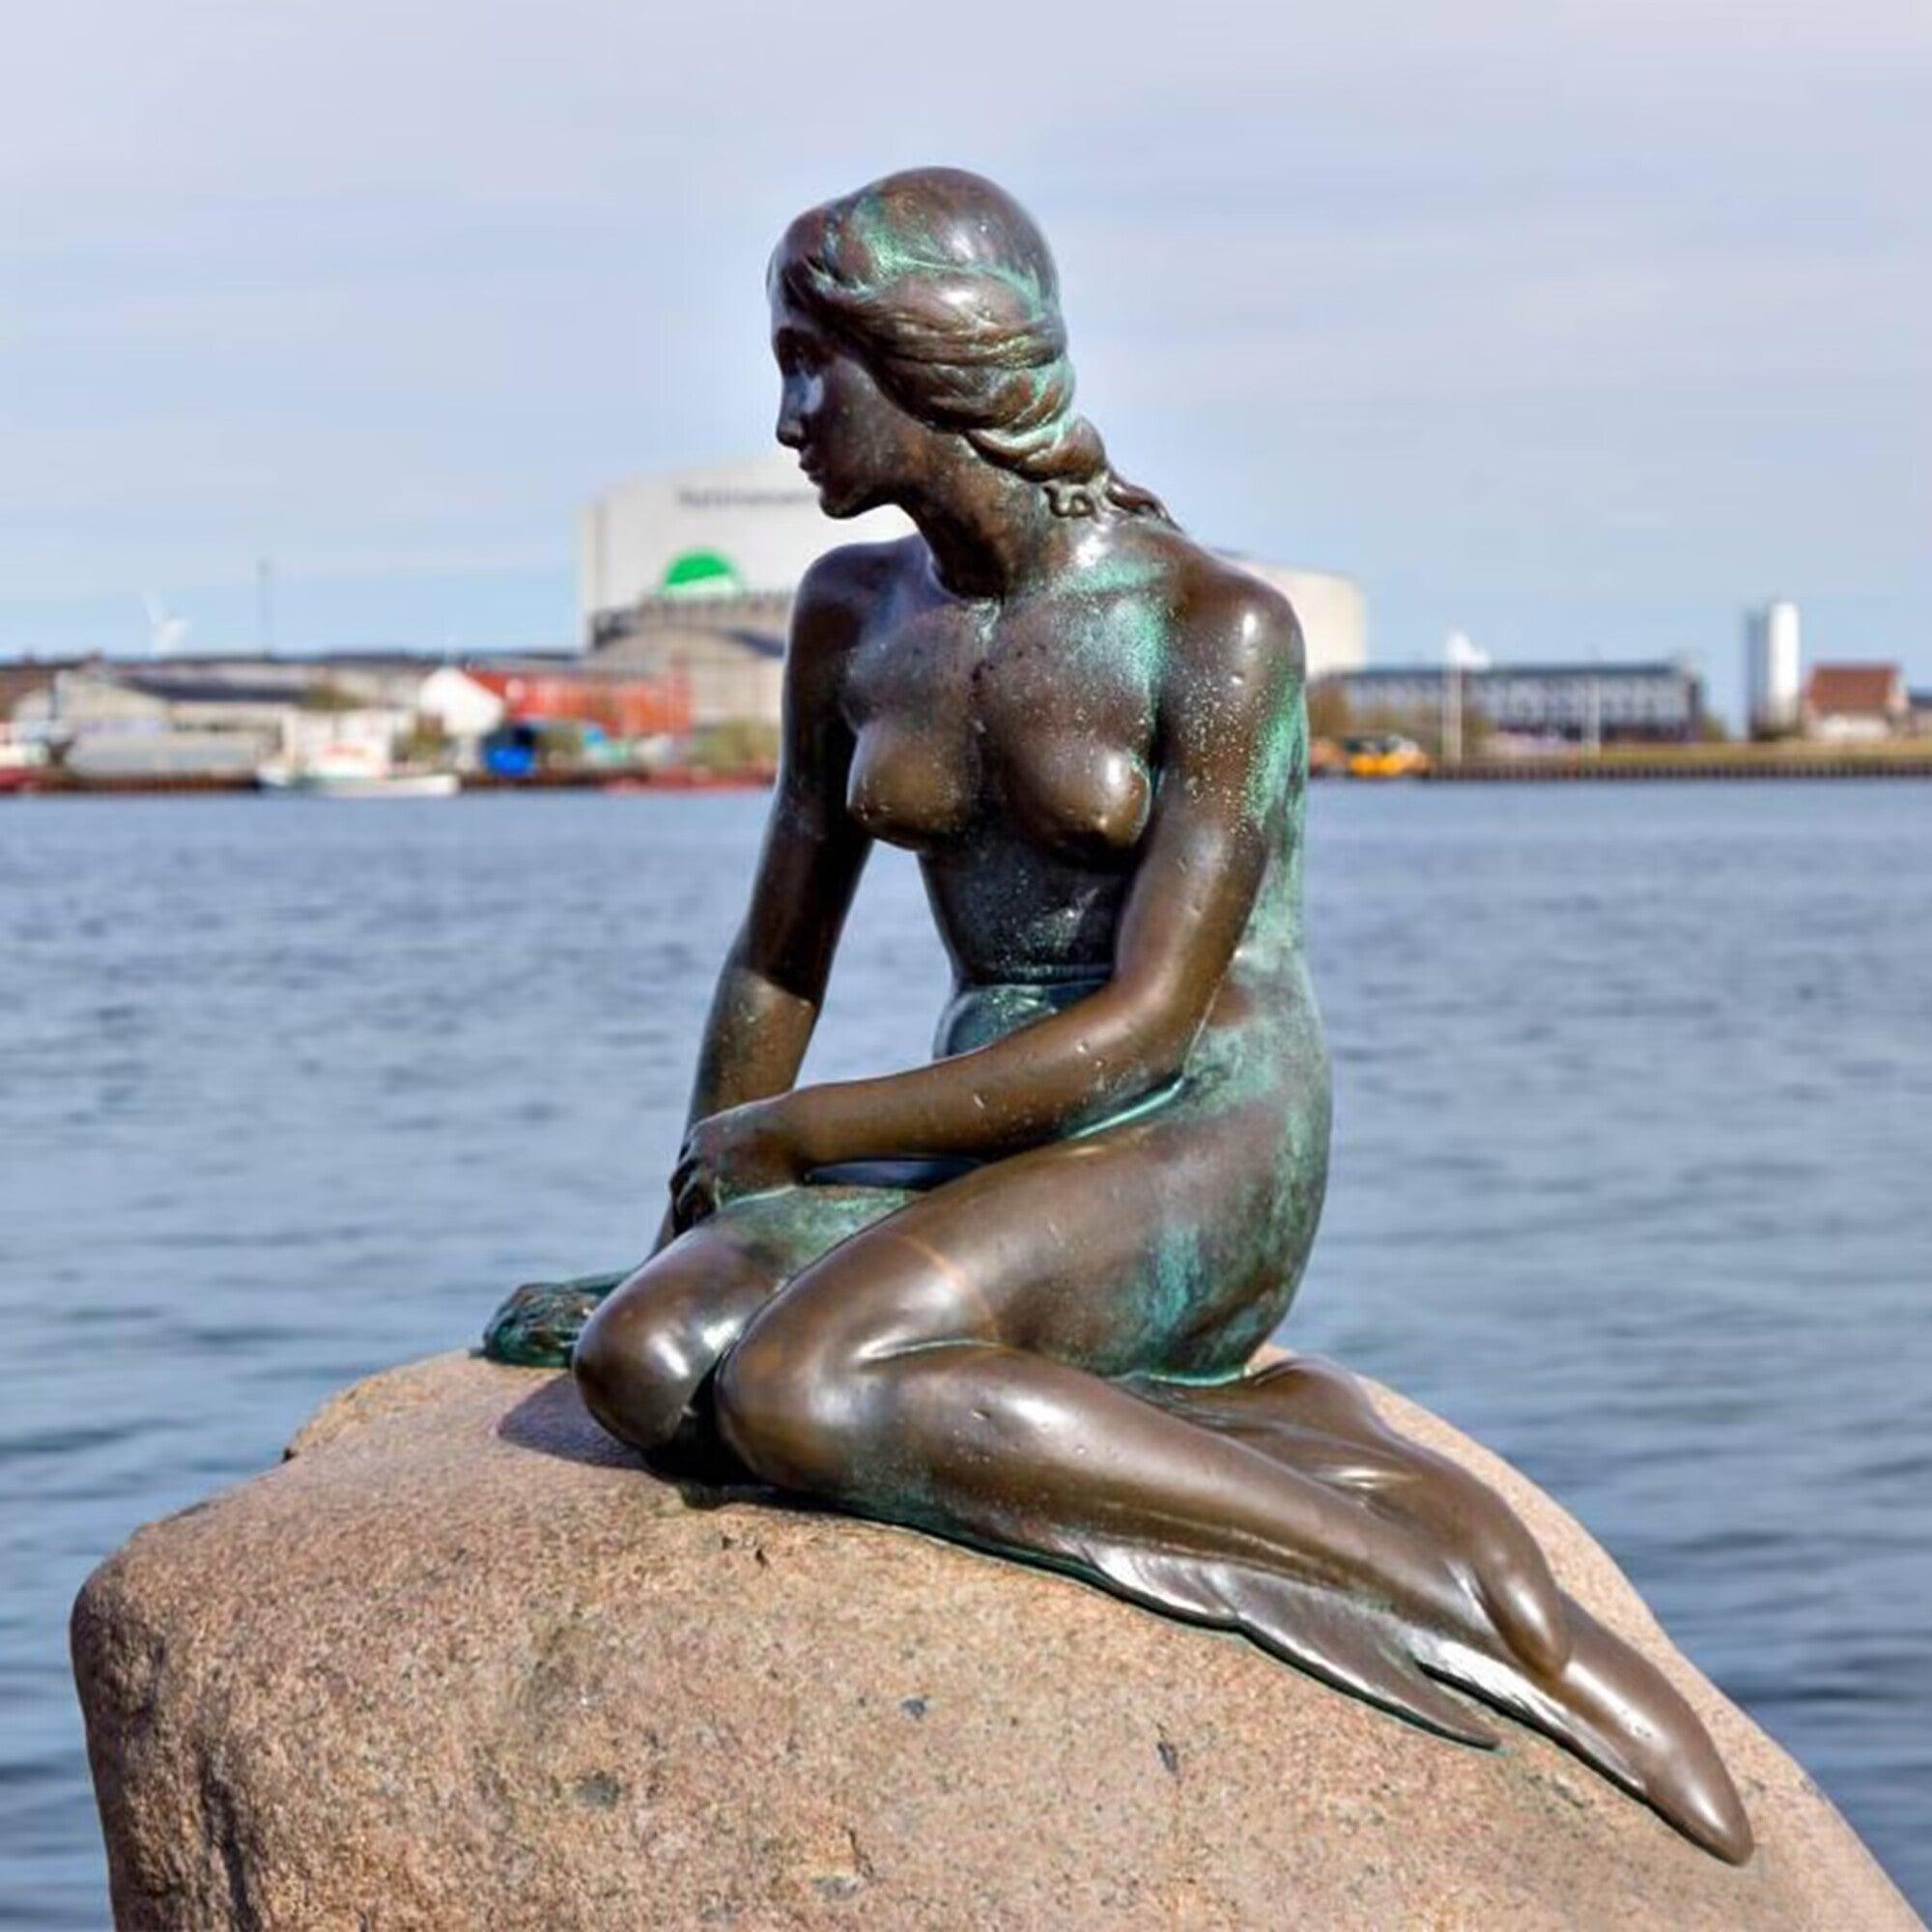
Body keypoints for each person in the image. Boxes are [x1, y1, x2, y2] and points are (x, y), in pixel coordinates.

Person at [501, 167, 1748, 1863]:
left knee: (804, 1388)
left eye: (816, 363)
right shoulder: (851, 621)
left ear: (936, 360)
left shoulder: (1210, 629)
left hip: (1196, 1120)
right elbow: (776, 956)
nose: (790, 414)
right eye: (782, 364)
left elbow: (1153, 1022)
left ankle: (1402, 1561)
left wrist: (803, 1137)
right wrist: (686, 1208)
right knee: (642, 1360)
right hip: (978, 1119)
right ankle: (1186, 1416)